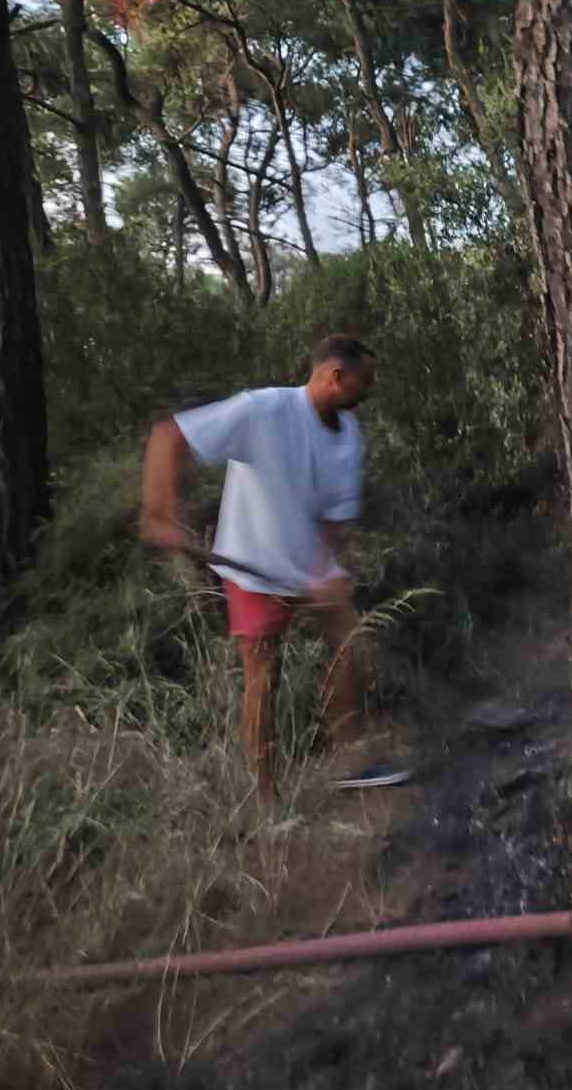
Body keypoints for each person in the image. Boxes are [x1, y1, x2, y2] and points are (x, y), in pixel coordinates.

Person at [138, 334, 407, 800]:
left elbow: (334, 518)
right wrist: (160, 510)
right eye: (365, 382)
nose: (370, 391)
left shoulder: (348, 436)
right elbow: (169, 437)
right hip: (255, 572)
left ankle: (348, 760)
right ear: (336, 376)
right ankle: (265, 795)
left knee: (352, 642)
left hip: (311, 570)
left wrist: (328, 569)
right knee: (264, 678)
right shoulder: (262, 411)